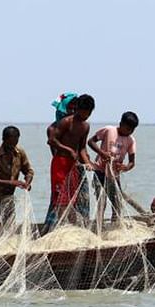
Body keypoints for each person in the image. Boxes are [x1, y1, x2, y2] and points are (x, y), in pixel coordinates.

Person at [45, 94, 95, 230]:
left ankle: (71, 228)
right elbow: (51, 140)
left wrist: (87, 163)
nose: (85, 115)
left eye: (89, 112)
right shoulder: (66, 122)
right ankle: (60, 228)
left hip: (73, 165)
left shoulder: (85, 126)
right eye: (84, 111)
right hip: (60, 163)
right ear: (77, 109)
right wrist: (68, 150)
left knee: (72, 198)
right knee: (60, 197)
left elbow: (82, 148)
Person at [87, 111, 138, 221]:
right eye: (128, 128)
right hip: (100, 171)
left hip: (114, 175)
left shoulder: (130, 140)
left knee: (117, 203)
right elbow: (91, 142)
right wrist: (102, 153)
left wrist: (125, 167)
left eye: (132, 130)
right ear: (121, 124)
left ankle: (115, 226)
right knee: (101, 201)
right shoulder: (109, 130)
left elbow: (132, 162)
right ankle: (99, 227)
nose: (130, 131)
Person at [0, 126, 34, 234]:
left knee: (10, 228)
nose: (12, 147)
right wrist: (11, 183)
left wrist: (27, 183)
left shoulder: (20, 152)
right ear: (3, 139)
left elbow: (29, 171)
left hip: (8, 198)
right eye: (9, 144)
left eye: (15, 143)